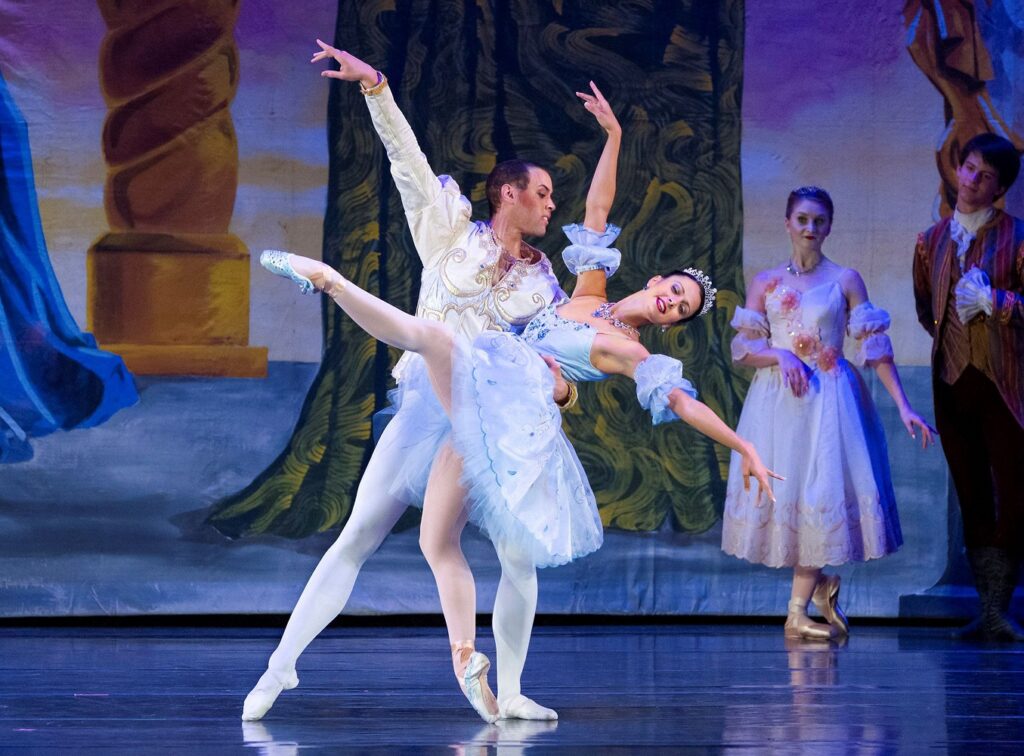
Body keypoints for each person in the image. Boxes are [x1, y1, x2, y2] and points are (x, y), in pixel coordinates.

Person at [243, 42, 612, 724]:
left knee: (515, 552)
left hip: (493, 421)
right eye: (543, 192)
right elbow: (406, 163)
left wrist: (565, 391)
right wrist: (376, 88)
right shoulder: (449, 232)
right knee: (360, 532)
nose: (550, 204)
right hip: (427, 405)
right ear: (510, 191)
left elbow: (558, 355)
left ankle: (512, 687)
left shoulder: (543, 282)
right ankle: (279, 666)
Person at [722, 186, 936, 641]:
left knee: (820, 494)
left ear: (829, 226)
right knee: (791, 495)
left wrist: (904, 405)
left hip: (830, 400)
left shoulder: (845, 279)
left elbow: (874, 348)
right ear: (787, 223)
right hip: (779, 402)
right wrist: (780, 357)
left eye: (819, 221)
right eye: (802, 219)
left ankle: (797, 610)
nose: (810, 229)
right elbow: (745, 349)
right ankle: (817, 589)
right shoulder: (766, 282)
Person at [912, 133, 1024, 642]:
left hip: (1006, 385)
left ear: (999, 189)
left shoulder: (1017, 238)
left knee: (1014, 495)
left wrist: (998, 303)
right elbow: (924, 309)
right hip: (952, 386)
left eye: (985, 176)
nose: (971, 181)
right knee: (973, 493)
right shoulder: (931, 239)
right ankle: (989, 609)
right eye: (969, 168)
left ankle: (1003, 605)